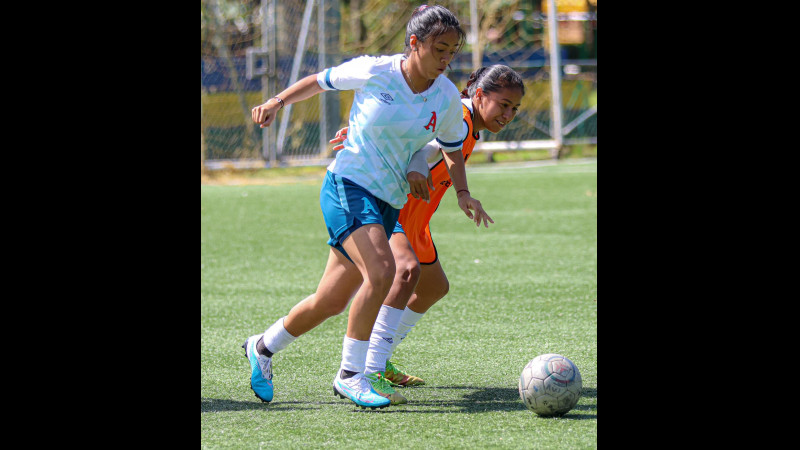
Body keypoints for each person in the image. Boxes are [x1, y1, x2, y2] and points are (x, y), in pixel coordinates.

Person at [244, 5, 491, 410]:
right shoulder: (376, 70)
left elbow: (450, 147)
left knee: (331, 300)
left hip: (388, 200)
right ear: (414, 44)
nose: (446, 60)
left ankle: (262, 347)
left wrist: (461, 192)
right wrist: (277, 101)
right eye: (439, 49)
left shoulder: (445, 95)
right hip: (347, 184)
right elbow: (318, 82)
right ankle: (350, 376)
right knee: (383, 271)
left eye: (452, 52)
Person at [326, 65, 526, 404]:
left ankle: (380, 358)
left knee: (434, 287)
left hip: (418, 222)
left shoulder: (466, 123)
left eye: (514, 109)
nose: (507, 114)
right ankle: (370, 372)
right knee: (406, 272)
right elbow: (427, 148)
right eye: (503, 104)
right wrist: (418, 164)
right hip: (398, 211)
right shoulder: (461, 118)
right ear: (479, 95)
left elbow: (412, 133)